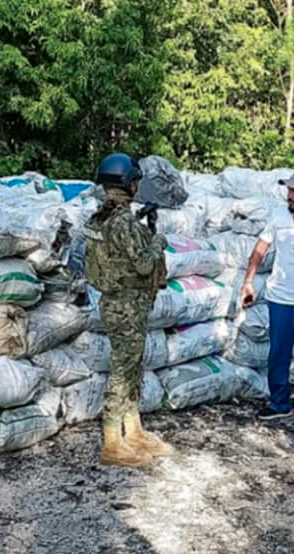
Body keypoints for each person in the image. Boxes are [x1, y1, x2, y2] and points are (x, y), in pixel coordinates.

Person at [83, 152, 174, 468]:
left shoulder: (103, 217)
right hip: (127, 306)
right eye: (135, 180)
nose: (137, 185)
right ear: (127, 183)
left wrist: (140, 227)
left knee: (133, 366)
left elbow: (117, 247)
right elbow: (144, 263)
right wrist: (158, 241)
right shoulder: (121, 221)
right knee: (123, 371)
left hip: (117, 302)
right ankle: (112, 442)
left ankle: (132, 430)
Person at [239, 169, 294, 434]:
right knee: (278, 353)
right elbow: (260, 249)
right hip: (280, 297)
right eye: (289, 190)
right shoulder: (279, 215)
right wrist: (248, 281)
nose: (289, 195)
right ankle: (279, 402)